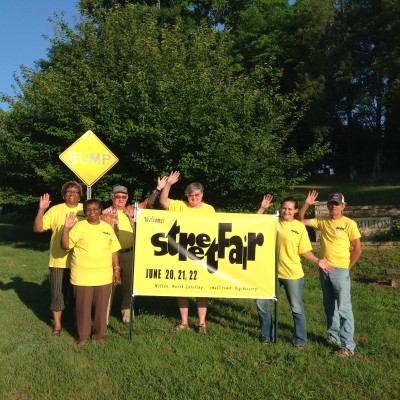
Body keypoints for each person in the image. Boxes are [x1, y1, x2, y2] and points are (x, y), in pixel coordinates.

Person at [256, 195, 333, 349]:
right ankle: (267, 335)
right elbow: (254, 224)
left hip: (293, 275)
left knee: (296, 308)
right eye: (284, 208)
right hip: (272, 273)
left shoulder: (299, 227)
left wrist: (318, 261)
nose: (286, 211)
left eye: (290, 209)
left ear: (295, 210)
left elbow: (304, 250)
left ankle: (300, 340)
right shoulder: (274, 222)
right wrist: (263, 208)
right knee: (261, 302)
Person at [299, 191, 362, 357]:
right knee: (329, 306)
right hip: (324, 269)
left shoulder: (349, 224)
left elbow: (357, 248)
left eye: (336, 204)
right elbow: (300, 220)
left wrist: (348, 267)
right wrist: (306, 203)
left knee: (344, 308)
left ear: (343, 206)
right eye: (331, 203)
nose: (333, 206)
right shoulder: (323, 222)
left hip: (340, 270)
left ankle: (348, 346)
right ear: (328, 206)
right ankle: (334, 338)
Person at [101, 177, 168, 325]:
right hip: (111, 255)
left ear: (127, 198)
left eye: (123, 197)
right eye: (117, 196)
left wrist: (158, 189)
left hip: (130, 253)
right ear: (112, 197)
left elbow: (147, 203)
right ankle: (103, 319)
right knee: (109, 287)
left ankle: (127, 316)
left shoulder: (131, 210)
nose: (120, 199)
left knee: (129, 286)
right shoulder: (104, 214)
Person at [159, 171, 215, 333]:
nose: (194, 197)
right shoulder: (180, 206)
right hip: (181, 255)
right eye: (191, 195)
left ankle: (202, 323)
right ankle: (184, 322)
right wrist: (168, 184)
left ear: (202, 195)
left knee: (201, 289)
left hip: (201, 255)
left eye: (197, 195)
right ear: (187, 196)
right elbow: (163, 201)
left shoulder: (209, 209)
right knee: (182, 288)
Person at [61, 198, 121, 347]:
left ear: (101, 211)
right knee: (83, 308)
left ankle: (100, 335)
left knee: (101, 308)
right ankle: (83, 336)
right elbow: (65, 246)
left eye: (95, 209)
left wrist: (117, 269)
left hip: (103, 276)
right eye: (88, 210)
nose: (92, 212)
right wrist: (66, 229)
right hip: (82, 276)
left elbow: (113, 250)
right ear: (85, 212)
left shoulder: (107, 227)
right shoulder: (78, 226)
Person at [33, 181, 85, 336]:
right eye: (68, 191)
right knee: (57, 294)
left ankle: (77, 324)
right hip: (58, 261)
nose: (72, 194)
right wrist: (42, 209)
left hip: (80, 261)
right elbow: (38, 228)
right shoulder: (55, 210)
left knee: (78, 295)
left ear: (80, 195)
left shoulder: (86, 209)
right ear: (63, 194)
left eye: (75, 192)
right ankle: (57, 326)